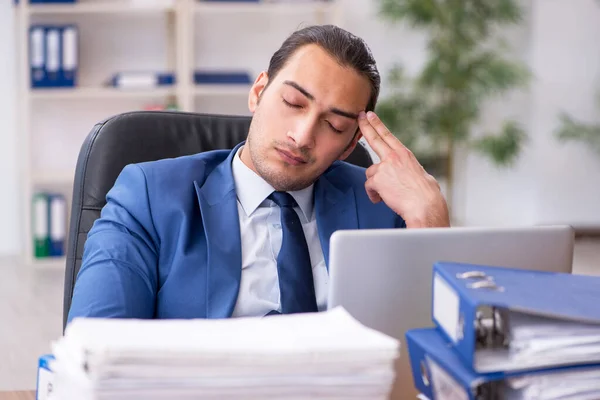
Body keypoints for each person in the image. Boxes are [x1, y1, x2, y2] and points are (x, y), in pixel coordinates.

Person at [66, 24, 449, 324]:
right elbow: (94, 346)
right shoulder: (147, 195)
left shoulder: (381, 209)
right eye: (293, 103)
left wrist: (430, 220)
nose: (301, 137)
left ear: (350, 146)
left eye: (333, 125)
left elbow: (442, 353)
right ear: (258, 92)